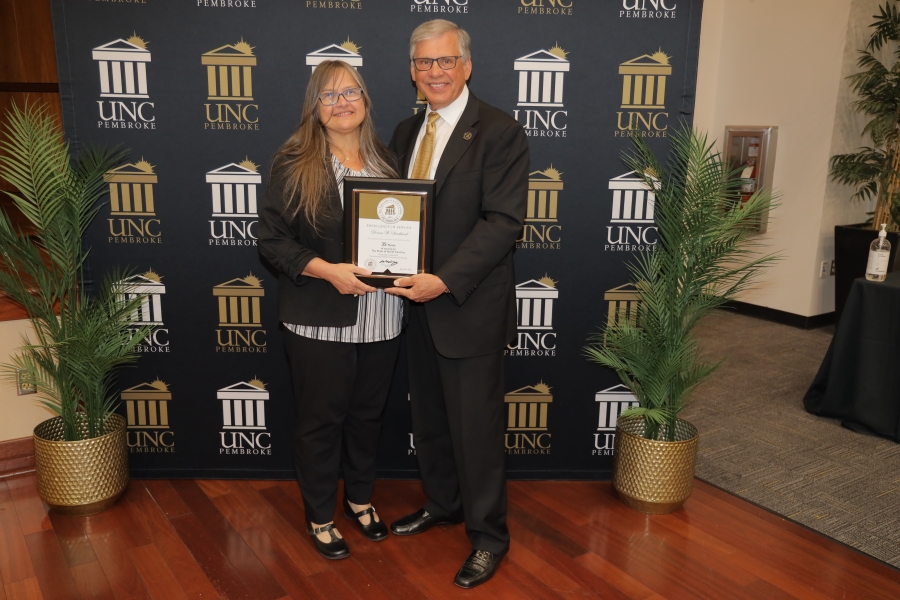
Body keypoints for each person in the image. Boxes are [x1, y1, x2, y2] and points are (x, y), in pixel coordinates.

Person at [386, 19, 529, 589]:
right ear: (412, 72)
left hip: (464, 304)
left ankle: (489, 535)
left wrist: (441, 281)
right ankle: (443, 503)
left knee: (476, 428)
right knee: (432, 419)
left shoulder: (498, 131)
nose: (435, 72)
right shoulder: (404, 132)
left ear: (466, 66)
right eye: (424, 63)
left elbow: (502, 224)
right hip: (412, 305)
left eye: (445, 61)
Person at [258, 60, 401, 561]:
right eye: (329, 95)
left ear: (366, 99)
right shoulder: (294, 162)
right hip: (318, 316)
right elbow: (272, 241)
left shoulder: (389, 162)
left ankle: (360, 500)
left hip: (385, 315)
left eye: (350, 92)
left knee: (367, 417)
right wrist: (329, 271)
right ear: (315, 109)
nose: (342, 103)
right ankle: (320, 515)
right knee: (321, 421)